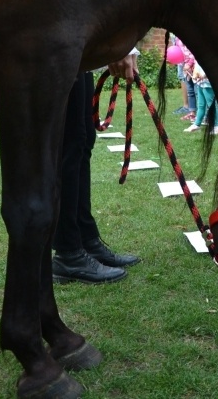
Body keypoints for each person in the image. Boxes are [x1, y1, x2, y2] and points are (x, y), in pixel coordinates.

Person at [52, 53, 141, 284]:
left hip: (79, 54)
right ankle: (68, 252)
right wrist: (120, 48)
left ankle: (85, 238)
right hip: (59, 49)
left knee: (82, 139)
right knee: (69, 145)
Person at [184, 60, 218, 134]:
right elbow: (197, 66)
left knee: (212, 106)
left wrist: (204, 75)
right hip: (200, 84)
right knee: (201, 105)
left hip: (208, 84)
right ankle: (196, 124)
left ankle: (217, 125)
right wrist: (194, 75)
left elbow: (212, 67)